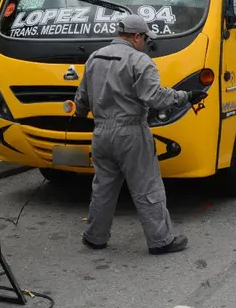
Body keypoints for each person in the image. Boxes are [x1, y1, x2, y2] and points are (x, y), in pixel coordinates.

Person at [74, 14, 207, 254]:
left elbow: (81, 98)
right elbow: (154, 97)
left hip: (101, 133)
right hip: (131, 132)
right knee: (147, 186)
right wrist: (185, 96)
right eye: (144, 38)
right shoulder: (139, 60)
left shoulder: (95, 58)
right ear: (136, 36)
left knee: (103, 187)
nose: (146, 43)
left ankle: (95, 237)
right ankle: (161, 241)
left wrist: (83, 115)